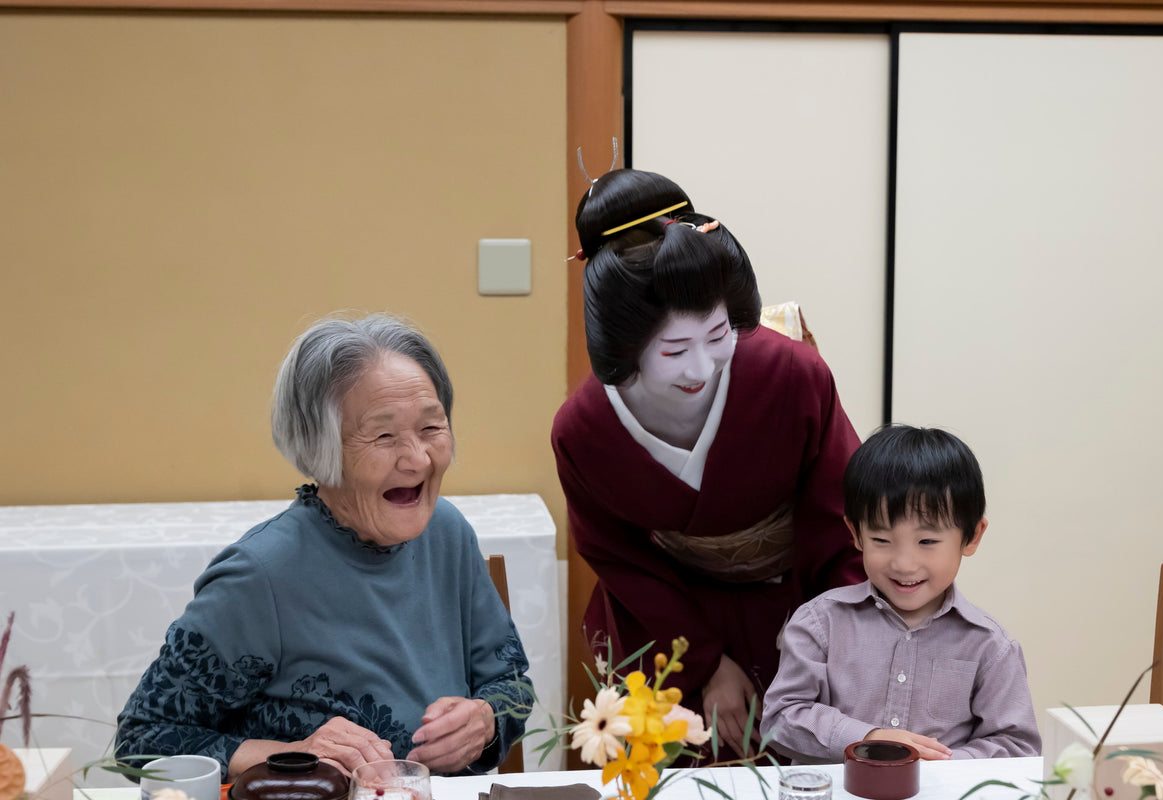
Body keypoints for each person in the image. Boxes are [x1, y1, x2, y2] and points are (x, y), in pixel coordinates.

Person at [116, 313, 533, 779]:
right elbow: (142, 741)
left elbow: (510, 683)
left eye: (431, 428)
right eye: (383, 435)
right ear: (321, 448)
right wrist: (294, 755)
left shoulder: (447, 531)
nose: (418, 458)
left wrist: (485, 721)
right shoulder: (261, 575)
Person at [552, 169, 865, 757]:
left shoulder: (790, 376)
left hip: (798, 604)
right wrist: (703, 660)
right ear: (623, 345)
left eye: (718, 334)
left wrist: (826, 642)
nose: (702, 367)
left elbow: (838, 518)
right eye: (674, 350)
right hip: (669, 618)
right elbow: (619, 555)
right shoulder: (584, 429)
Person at [760, 425, 1041, 762]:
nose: (904, 564)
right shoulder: (819, 623)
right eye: (881, 540)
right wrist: (866, 738)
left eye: (927, 542)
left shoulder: (991, 646)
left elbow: (1017, 747)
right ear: (856, 533)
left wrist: (939, 765)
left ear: (972, 536)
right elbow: (780, 720)